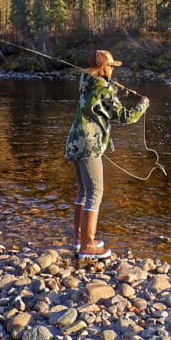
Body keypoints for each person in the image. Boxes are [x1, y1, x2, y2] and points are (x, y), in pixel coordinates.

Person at [64, 49, 150, 260]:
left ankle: (78, 239)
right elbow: (124, 116)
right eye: (110, 66)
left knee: (83, 191)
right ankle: (88, 245)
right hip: (89, 144)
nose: (112, 69)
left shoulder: (85, 82)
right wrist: (143, 105)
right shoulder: (104, 89)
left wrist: (110, 85)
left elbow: (97, 95)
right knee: (96, 192)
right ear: (103, 68)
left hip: (75, 142)